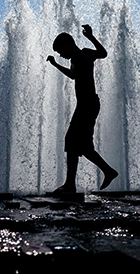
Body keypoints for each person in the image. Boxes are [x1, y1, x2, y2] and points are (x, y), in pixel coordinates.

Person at [47, 24, 119, 194]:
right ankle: (106, 172)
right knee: (80, 145)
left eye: (60, 51)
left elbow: (103, 53)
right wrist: (56, 65)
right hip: (84, 105)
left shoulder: (86, 54)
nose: (61, 55)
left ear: (68, 44)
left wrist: (91, 37)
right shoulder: (74, 60)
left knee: (72, 141)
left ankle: (72, 184)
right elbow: (73, 75)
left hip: (89, 104)